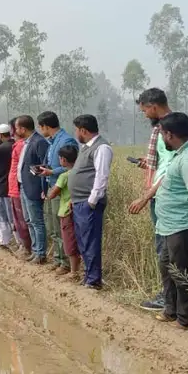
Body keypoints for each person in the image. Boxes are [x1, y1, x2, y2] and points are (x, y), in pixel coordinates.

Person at [132, 113, 188, 329]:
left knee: (182, 271)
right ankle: (171, 310)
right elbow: (169, 179)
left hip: (184, 224)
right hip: (170, 225)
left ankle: (186, 319)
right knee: (168, 267)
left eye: (162, 135)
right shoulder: (181, 152)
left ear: (169, 134)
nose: (161, 140)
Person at [133, 88, 175, 312]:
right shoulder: (161, 127)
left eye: (144, 111)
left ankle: (169, 299)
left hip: (164, 196)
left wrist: (146, 195)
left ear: (153, 106)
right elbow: (163, 162)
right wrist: (148, 162)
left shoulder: (171, 128)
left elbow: (172, 168)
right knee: (163, 248)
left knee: (165, 249)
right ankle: (169, 296)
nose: (144, 115)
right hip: (157, 194)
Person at [68, 114, 113, 290]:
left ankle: (94, 280)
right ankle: (88, 275)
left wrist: (92, 201)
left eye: (77, 130)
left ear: (83, 130)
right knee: (83, 241)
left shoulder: (101, 148)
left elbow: (101, 176)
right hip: (79, 201)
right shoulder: (86, 147)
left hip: (89, 203)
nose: (76, 133)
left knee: (90, 241)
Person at [37, 111, 79, 275]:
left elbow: (72, 165)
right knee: (52, 226)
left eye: (41, 127)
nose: (41, 130)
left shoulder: (66, 140)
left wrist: (52, 171)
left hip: (61, 189)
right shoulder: (52, 142)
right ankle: (58, 258)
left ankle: (66, 263)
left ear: (47, 126)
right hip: (50, 186)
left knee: (61, 227)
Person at [17, 115, 50, 264]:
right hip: (24, 185)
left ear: (23, 129)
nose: (16, 131)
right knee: (29, 220)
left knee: (37, 221)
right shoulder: (27, 142)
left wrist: (43, 188)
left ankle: (41, 253)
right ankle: (35, 250)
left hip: (33, 187)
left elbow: (44, 165)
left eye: (17, 128)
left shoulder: (39, 142)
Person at [47, 145, 82, 282]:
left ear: (63, 160)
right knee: (79, 239)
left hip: (66, 211)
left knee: (69, 241)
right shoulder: (79, 172)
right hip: (78, 210)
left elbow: (53, 193)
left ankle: (74, 271)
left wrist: (46, 195)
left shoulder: (64, 176)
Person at [7, 117, 32, 256]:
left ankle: (27, 248)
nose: (13, 131)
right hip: (13, 187)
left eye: (14, 128)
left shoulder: (22, 145)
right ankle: (23, 245)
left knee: (23, 220)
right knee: (18, 220)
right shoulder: (17, 145)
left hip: (18, 188)